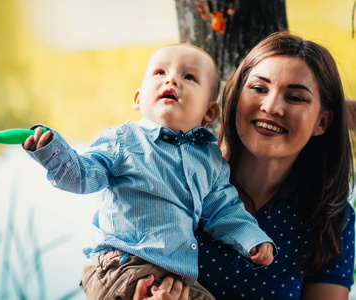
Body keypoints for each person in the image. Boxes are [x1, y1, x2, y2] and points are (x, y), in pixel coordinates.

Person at [24, 43, 275, 300]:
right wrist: (52, 150)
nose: (172, 80)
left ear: (209, 111)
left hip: (174, 278)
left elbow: (224, 209)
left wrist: (251, 238)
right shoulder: (123, 140)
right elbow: (82, 177)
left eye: (189, 77)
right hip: (121, 264)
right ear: (138, 98)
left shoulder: (210, 160)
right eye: (160, 73)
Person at [136, 31, 355, 300]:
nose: (271, 106)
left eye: (296, 97)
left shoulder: (332, 219)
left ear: (321, 122)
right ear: (236, 97)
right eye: (258, 88)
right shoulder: (173, 175)